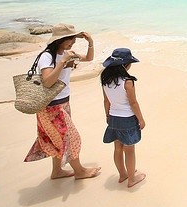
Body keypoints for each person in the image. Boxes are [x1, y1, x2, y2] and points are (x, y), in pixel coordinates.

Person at [24, 23, 101, 180]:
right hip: (51, 107)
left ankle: (57, 171)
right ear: (59, 40)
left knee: (57, 140)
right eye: (69, 39)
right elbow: (47, 82)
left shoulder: (66, 53)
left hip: (63, 103)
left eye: (73, 39)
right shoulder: (47, 57)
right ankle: (79, 171)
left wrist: (90, 42)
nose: (72, 42)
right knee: (71, 138)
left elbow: (88, 58)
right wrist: (62, 62)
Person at [101, 48, 146, 188]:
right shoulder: (128, 81)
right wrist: (141, 119)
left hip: (114, 117)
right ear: (125, 65)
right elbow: (133, 103)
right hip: (127, 119)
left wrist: (107, 115)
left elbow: (106, 101)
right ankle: (132, 179)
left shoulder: (105, 79)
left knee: (118, 149)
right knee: (130, 150)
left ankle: (123, 174)